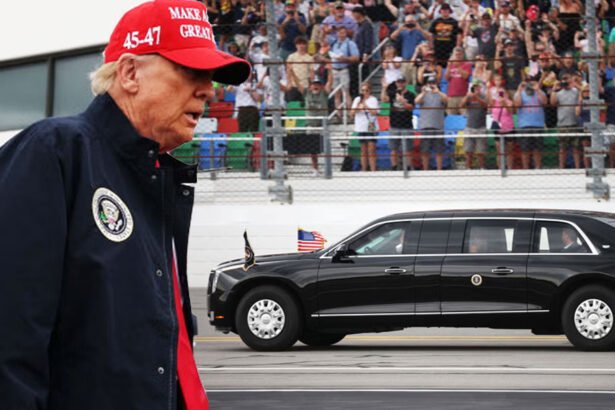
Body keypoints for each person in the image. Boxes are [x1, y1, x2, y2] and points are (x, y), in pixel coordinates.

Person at [0, 1, 250, 409]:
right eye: (191, 71)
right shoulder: (56, 152)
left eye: (211, 76)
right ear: (130, 73)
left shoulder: (155, 178)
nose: (208, 89)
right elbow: (10, 337)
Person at [415, 77, 448, 170]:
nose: (431, 84)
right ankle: (425, 169)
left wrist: (438, 92)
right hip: (426, 126)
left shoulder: (440, 95)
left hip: (438, 126)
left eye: (433, 82)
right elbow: (416, 101)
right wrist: (423, 92)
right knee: (425, 150)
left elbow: (446, 100)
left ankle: (439, 170)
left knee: (439, 151)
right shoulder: (423, 95)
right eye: (429, 83)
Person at [514, 77, 547, 169]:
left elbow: (544, 102)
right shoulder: (519, 93)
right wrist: (520, 90)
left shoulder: (539, 93)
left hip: (538, 124)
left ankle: (538, 167)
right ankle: (526, 168)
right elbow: (517, 104)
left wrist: (538, 89)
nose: (530, 85)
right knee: (525, 149)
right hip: (524, 124)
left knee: (537, 149)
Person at [550, 74, 581, 168]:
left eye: (567, 79)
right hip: (562, 124)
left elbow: (584, 91)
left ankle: (577, 168)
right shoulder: (559, 93)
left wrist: (575, 83)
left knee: (576, 148)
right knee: (562, 148)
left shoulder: (575, 91)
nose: (565, 81)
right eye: (564, 79)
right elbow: (552, 103)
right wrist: (554, 89)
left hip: (574, 123)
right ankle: (561, 168)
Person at [385, 75, 416, 170]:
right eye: (398, 82)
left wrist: (403, 101)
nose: (400, 84)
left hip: (406, 125)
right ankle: (394, 167)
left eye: (402, 82)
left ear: (405, 83)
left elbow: (411, 107)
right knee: (393, 148)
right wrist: (384, 87)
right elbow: (384, 99)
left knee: (407, 149)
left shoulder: (410, 94)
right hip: (394, 125)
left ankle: (407, 167)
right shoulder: (392, 93)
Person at [304, 77, 332, 176]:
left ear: (321, 86)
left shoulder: (323, 94)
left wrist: (330, 72)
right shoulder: (307, 94)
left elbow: (330, 82)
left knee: (325, 147)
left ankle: (327, 168)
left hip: (322, 124)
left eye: (317, 84)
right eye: (313, 84)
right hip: (311, 124)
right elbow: (299, 84)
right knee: (313, 149)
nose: (315, 86)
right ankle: (315, 169)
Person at [351, 83, 379, 171]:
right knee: (363, 150)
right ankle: (364, 169)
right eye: (363, 90)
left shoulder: (373, 99)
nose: (364, 92)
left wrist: (366, 106)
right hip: (361, 126)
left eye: (366, 90)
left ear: (370, 91)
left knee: (371, 149)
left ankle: (373, 169)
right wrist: (358, 108)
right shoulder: (357, 99)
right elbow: (351, 114)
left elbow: (375, 112)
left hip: (370, 126)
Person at [461, 84, 488, 169]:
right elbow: (461, 105)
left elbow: (486, 106)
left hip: (481, 127)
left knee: (481, 150)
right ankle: (468, 167)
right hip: (469, 127)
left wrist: (477, 98)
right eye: (475, 88)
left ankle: (482, 167)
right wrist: (467, 96)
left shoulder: (484, 97)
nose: (477, 90)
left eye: (478, 88)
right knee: (468, 149)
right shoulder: (469, 98)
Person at [429, 3, 462, 67]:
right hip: (438, 46)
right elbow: (431, 34)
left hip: (450, 46)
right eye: (443, 10)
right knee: (438, 64)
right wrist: (431, 45)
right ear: (440, 11)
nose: (445, 12)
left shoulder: (454, 22)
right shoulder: (436, 21)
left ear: (449, 11)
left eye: (446, 10)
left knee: (450, 64)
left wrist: (457, 46)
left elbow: (459, 34)